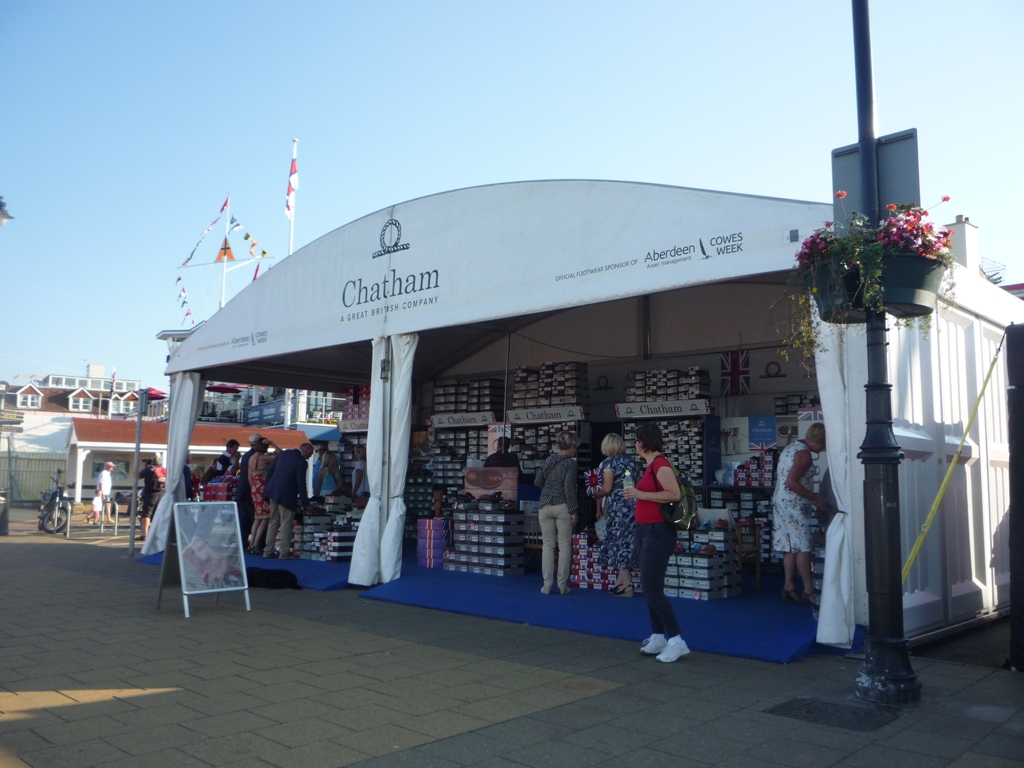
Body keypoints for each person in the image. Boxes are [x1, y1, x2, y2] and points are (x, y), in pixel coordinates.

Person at [623, 422, 689, 663]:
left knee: (651, 587)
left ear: (642, 442)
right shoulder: (650, 466)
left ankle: (677, 640)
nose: (635, 445)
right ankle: (658, 636)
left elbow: (674, 494)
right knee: (650, 586)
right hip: (645, 530)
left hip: (657, 531)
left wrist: (640, 494)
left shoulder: (660, 464)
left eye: (636, 440)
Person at [772, 422, 827, 605]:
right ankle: (809, 590)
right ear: (817, 441)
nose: (824, 448)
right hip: (795, 504)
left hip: (781, 501)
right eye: (824, 444)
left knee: (790, 546)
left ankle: (788, 586)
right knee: (803, 546)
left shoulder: (791, 447)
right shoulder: (804, 455)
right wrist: (814, 498)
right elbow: (792, 482)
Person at [593, 433, 641, 597]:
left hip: (618, 506)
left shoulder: (609, 462)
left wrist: (596, 494)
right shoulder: (632, 461)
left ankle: (627, 585)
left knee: (618, 543)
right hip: (633, 503)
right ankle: (618, 583)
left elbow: (607, 488)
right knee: (627, 541)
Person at [535, 431, 580, 595]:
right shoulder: (570, 463)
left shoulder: (548, 459)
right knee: (564, 545)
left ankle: (546, 585)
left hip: (544, 505)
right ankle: (562, 585)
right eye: (576, 447)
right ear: (572, 446)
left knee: (547, 545)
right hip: (562, 506)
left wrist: (549, 490)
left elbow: (537, 481)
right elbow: (568, 489)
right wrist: (574, 509)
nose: (576, 450)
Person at [262, 442, 313, 560]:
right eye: (309, 455)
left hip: (273, 491)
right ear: (306, 450)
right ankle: (284, 552)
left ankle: (268, 551)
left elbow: (270, 471)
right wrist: (306, 503)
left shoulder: (283, 454)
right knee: (286, 523)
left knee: (273, 522)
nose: (308, 457)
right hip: (287, 495)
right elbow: (301, 484)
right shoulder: (301, 462)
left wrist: (268, 489)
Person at [248, 435, 280, 553]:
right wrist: (272, 442)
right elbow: (281, 455)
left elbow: (249, 477)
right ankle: (256, 544)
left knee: (257, 518)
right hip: (262, 487)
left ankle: (251, 544)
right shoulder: (262, 458)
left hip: (254, 488)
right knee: (265, 518)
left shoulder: (251, 458)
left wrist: (253, 489)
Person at [234, 434, 262, 545]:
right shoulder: (256, 456)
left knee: (244, 520)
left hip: (242, 491)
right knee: (255, 518)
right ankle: (256, 544)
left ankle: (243, 543)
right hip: (250, 491)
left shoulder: (246, 455)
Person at [137, 454, 167, 539]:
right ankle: (156, 533)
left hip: (150, 494)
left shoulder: (149, 469)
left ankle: (144, 534)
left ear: (152, 462)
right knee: (158, 513)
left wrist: (145, 466)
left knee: (146, 514)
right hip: (162, 493)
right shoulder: (164, 469)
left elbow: (138, 476)